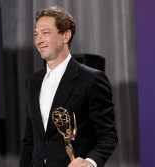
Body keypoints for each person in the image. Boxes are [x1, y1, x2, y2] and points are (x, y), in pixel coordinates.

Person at [19, 6, 118, 167]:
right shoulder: (32, 81)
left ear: (66, 35)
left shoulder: (91, 79)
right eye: (36, 34)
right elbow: (29, 140)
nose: (38, 40)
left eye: (45, 33)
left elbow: (108, 135)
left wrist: (90, 162)